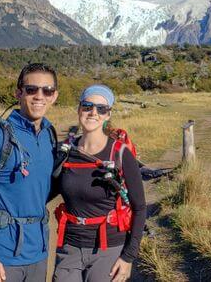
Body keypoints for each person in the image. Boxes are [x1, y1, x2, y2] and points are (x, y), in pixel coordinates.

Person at [0, 63, 59, 282]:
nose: (39, 96)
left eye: (47, 90)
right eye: (31, 89)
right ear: (18, 93)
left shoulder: (48, 135)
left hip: (39, 253)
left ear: (54, 96)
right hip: (1, 257)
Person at [53, 85, 147, 282]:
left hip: (109, 248)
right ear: (79, 109)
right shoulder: (65, 152)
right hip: (70, 246)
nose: (93, 112)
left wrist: (128, 257)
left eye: (101, 109)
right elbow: (45, 191)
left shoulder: (120, 153)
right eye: (87, 106)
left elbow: (139, 207)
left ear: (107, 115)